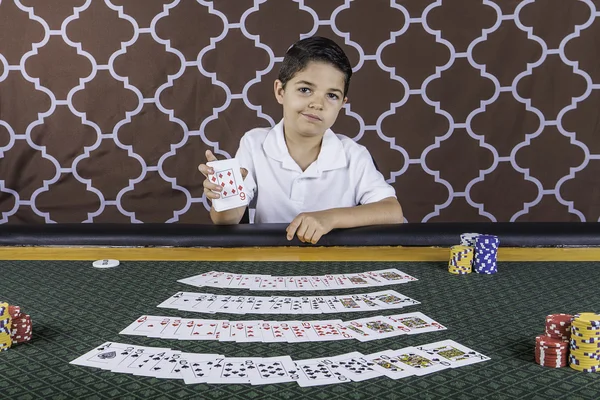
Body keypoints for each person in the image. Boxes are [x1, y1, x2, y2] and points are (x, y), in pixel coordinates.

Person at [198, 36, 403, 244]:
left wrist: (329, 218)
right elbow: (227, 219)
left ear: (342, 104)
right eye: (305, 90)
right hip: (270, 262)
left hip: (336, 264)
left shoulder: (353, 154)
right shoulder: (254, 143)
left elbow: (392, 211)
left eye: (331, 95)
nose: (317, 103)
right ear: (280, 91)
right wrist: (225, 196)